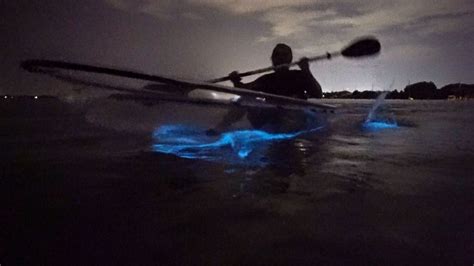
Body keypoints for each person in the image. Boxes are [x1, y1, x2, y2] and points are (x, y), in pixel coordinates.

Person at [207, 43, 323, 135]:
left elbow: (317, 94)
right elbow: (244, 90)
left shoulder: (300, 75)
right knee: (246, 98)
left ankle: (284, 139)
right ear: (272, 59)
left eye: (284, 55)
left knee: (293, 109)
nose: (280, 58)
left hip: (293, 121)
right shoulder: (266, 79)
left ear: (290, 59)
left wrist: (306, 70)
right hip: (268, 121)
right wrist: (236, 81)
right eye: (277, 55)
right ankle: (221, 127)